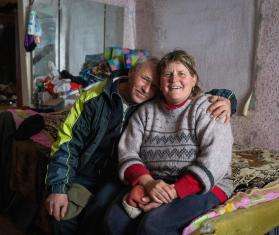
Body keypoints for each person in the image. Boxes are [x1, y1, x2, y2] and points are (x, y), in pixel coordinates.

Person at [45, 56, 235, 234]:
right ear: (131, 72)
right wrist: (59, 188)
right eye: (144, 79)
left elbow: (187, 93)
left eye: (153, 86)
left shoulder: (157, 101)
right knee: (63, 219)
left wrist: (227, 98)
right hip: (90, 173)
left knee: (109, 216)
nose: (146, 89)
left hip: (121, 177)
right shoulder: (95, 98)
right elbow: (67, 144)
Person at [104, 50, 234, 235]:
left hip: (207, 186)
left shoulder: (209, 108)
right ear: (160, 82)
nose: (174, 80)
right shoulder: (145, 112)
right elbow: (127, 152)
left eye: (182, 73)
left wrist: (173, 192)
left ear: (194, 79)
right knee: (114, 221)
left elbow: (215, 160)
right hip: (157, 183)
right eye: (167, 75)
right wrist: (147, 184)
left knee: (153, 226)